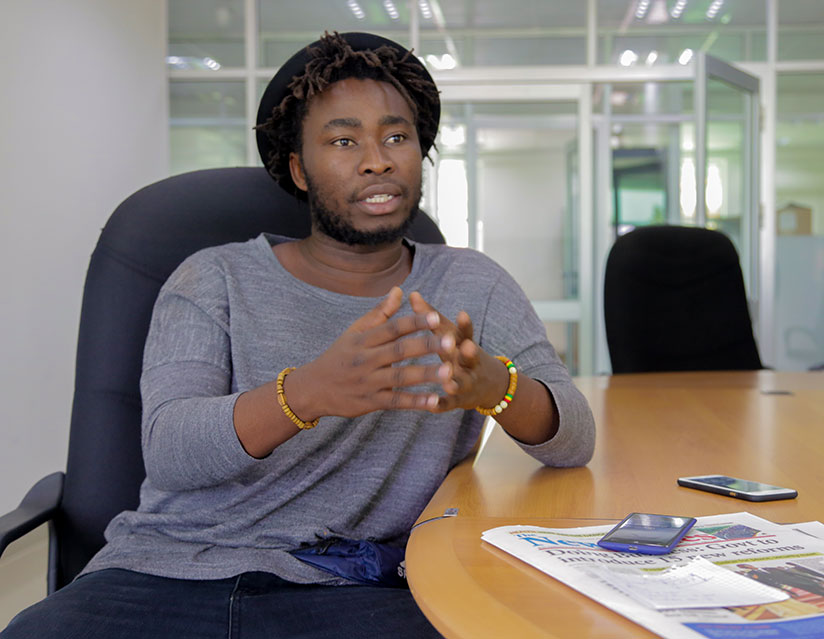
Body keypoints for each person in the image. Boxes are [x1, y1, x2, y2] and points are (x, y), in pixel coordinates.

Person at [2, 31, 595, 639]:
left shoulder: (472, 283)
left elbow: (573, 438)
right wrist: (308, 393)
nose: (377, 159)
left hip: (353, 588)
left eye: (397, 136)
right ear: (299, 170)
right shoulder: (214, 277)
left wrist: (496, 387)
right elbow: (171, 451)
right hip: (163, 573)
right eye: (343, 140)